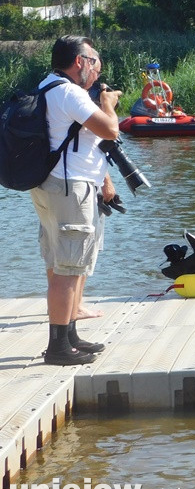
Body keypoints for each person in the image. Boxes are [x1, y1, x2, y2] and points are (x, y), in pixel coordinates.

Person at [30, 35, 122, 365]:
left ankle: (69, 336)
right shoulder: (69, 92)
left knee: (61, 262)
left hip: (52, 185)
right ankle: (58, 348)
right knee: (67, 269)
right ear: (80, 62)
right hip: (70, 188)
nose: (98, 69)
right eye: (95, 62)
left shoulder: (48, 86)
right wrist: (108, 102)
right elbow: (109, 129)